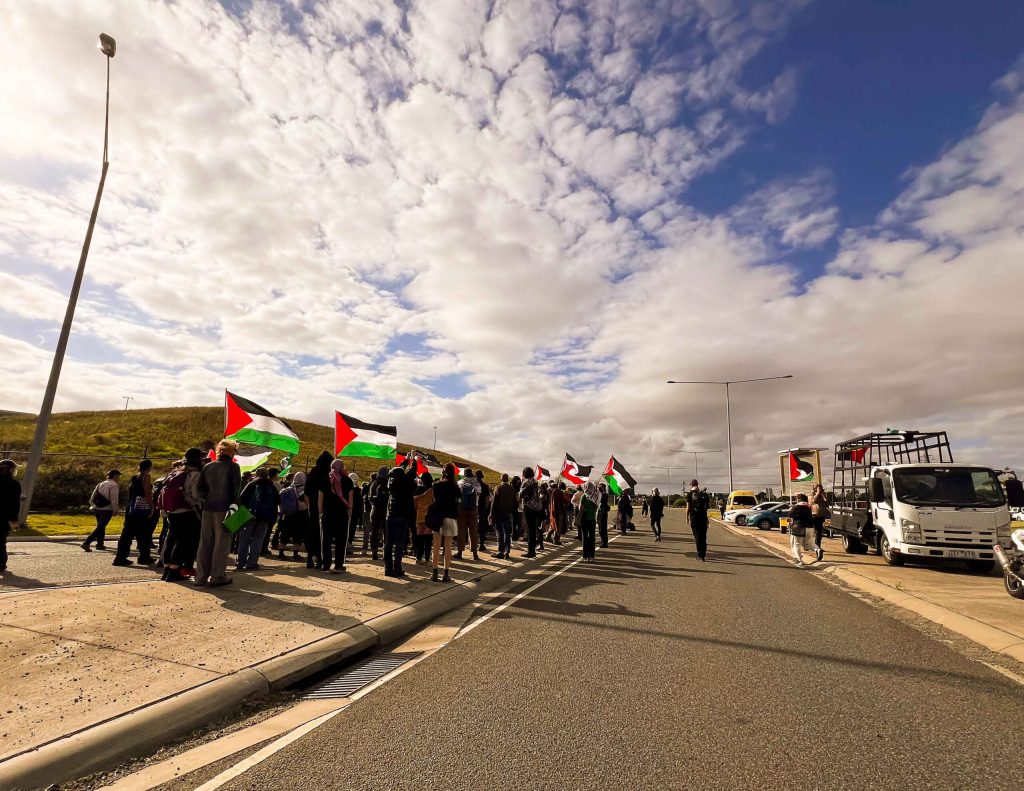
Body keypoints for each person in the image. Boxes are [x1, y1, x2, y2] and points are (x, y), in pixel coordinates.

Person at [194, 441, 240, 586]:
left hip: (208, 508)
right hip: (225, 509)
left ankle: (200, 576)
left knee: (205, 542)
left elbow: (199, 489)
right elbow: (236, 491)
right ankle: (217, 576)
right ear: (231, 452)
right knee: (222, 543)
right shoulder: (233, 467)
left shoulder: (208, 466)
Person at [161, 449, 205, 582]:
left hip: (172, 511)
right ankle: (175, 571)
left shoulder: (176, 471)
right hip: (186, 511)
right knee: (183, 542)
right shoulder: (195, 474)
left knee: (171, 539)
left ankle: (167, 569)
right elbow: (194, 495)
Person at [236, 467, 280, 570]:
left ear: (257, 474)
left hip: (248, 515)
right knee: (258, 540)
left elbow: (242, 497)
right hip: (264, 518)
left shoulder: (251, 484)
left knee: (244, 540)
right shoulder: (271, 485)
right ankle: (252, 563)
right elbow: (278, 501)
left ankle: (240, 562)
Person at [113, 460, 155, 566]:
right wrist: (152, 507)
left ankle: (120, 557)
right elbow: (147, 493)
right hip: (142, 508)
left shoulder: (134, 478)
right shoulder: (146, 477)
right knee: (144, 533)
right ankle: (144, 556)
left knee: (127, 534)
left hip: (131, 509)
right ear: (149, 467)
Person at [319, 458, 353, 573]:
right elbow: (350, 498)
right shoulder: (348, 481)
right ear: (342, 468)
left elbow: (320, 499)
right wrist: (350, 511)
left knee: (326, 540)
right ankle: (339, 564)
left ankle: (326, 564)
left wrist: (320, 513)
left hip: (328, 513)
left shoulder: (324, 480)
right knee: (341, 539)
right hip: (342, 514)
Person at [384, 460, 413, 578]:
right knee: (399, 545)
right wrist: (411, 460)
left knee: (389, 543)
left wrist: (404, 463)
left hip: (391, 516)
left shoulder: (391, 485)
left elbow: (399, 471)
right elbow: (410, 473)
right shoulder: (406, 485)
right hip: (402, 517)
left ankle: (388, 568)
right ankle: (397, 569)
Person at [304, 452, 333, 569]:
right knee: (323, 534)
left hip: (313, 507)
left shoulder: (313, 473)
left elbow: (306, 491)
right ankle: (320, 560)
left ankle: (310, 558)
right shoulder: (328, 474)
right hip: (325, 507)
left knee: (313, 532)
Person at [432, 463, 460, 582]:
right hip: (450, 517)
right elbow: (459, 499)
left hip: (437, 517)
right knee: (448, 546)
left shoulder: (436, 485)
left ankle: (434, 573)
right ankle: (446, 573)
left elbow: (434, 499)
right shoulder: (455, 486)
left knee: (436, 546)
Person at [82, 469, 121, 552]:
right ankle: (87, 542)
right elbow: (114, 499)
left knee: (100, 526)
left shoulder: (100, 484)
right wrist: (116, 510)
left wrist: (93, 505)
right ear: (114, 476)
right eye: (118, 475)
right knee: (101, 527)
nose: (119, 477)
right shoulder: (114, 485)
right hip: (107, 509)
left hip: (97, 508)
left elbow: (92, 497)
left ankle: (100, 544)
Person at [277, 471, 307, 560]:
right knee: (297, 535)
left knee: (285, 534)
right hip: (300, 516)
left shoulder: (288, 489)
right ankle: (295, 554)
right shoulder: (303, 490)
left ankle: (281, 553)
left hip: (288, 515)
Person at [0, 459, 21, 572]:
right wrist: (14, 520)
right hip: (3, 517)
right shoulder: (13, 484)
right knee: (1, 540)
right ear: (11, 470)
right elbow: (14, 504)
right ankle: (1, 563)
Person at [456, 467, 481, 561]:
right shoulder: (477, 483)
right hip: (474, 508)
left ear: (464, 474)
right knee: (473, 530)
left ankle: (460, 552)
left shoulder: (460, 482)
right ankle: (475, 553)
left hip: (461, 508)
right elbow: (479, 495)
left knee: (461, 530)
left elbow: (457, 496)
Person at [489, 473, 516, 559]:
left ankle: (501, 551)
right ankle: (507, 551)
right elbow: (515, 503)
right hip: (507, 513)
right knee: (507, 533)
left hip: (498, 513)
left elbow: (494, 502)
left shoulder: (498, 488)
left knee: (500, 533)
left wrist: (491, 514)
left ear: (501, 479)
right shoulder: (512, 489)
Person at [519, 466, 544, 558]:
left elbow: (521, 495)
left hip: (528, 507)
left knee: (530, 530)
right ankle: (532, 549)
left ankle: (531, 551)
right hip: (536, 508)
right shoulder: (536, 481)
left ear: (524, 473)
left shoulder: (526, 482)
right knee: (533, 529)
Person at [366, 466, 389, 560]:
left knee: (374, 532)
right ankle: (385, 552)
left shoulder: (374, 483)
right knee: (386, 532)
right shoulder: (388, 483)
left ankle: (374, 552)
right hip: (386, 511)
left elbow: (370, 498)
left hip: (375, 510)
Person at [413, 471, 435, 565]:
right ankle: (427, 559)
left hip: (419, 517)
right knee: (428, 540)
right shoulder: (432, 490)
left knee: (419, 539)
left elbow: (414, 505)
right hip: (429, 517)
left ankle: (418, 558)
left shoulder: (417, 490)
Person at [788, 493, 816, 568]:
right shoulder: (808, 506)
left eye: (796, 498)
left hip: (799, 527)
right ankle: (816, 549)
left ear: (799, 499)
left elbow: (790, 515)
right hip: (809, 527)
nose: (796, 500)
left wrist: (791, 508)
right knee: (808, 544)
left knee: (796, 544)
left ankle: (798, 560)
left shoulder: (797, 506)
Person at [685, 479, 710, 561]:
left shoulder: (689, 494)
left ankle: (700, 555)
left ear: (691, 485)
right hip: (703, 517)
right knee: (703, 536)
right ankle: (704, 554)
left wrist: (687, 518)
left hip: (694, 517)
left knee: (697, 536)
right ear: (697, 484)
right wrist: (707, 519)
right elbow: (706, 508)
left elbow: (688, 508)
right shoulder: (704, 494)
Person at [810, 484, 829, 562]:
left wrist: (824, 496)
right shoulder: (811, 495)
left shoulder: (823, 496)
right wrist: (818, 493)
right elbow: (813, 501)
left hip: (820, 517)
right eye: (819, 489)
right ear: (815, 490)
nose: (821, 490)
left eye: (821, 489)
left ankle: (818, 547)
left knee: (819, 534)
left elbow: (827, 504)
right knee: (813, 533)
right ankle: (814, 547)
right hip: (813, 516)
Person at [580, 483, 599, 561]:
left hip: (584, 519)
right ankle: (592, 556)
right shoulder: (594, 496)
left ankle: (585, 556)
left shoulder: (584, 496)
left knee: (585, 537)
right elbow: (596, 507)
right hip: (592, 519)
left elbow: (581, 508)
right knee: (592, 537)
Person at [476, 469, 491, 553]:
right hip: (481, 508)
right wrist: (485, 508)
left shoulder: (473, 484)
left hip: (473, 507)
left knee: (472, 526)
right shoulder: (485, 485)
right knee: (481, 526)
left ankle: (473, 543)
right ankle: (481, 543)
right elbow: (487, 499)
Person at [348, 472, 363, 551]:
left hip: (348, 511)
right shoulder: (357, 491)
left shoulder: (345, 488)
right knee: (351, 528)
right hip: (354, 512)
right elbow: (360, 503)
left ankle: (347, 543)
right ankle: (349, 543)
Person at [598, 483, 610, 548]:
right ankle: (603, 541)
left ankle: (604, 543)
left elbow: (601, 502)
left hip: (603, 513)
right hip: (602, 512)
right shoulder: (602, 494)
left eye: (600, 487)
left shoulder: (604, 494)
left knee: (602, 528)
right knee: (601, 528)